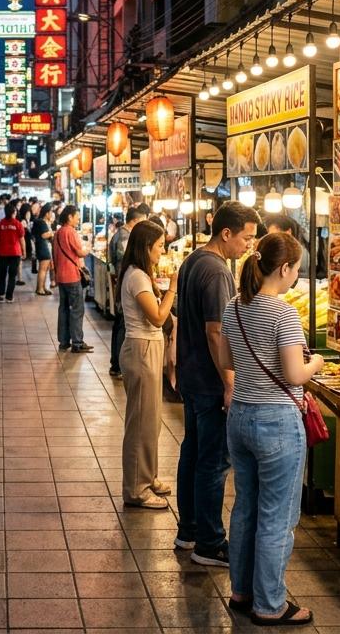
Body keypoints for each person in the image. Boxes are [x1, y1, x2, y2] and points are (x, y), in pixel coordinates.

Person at [216, 232, 321, 626]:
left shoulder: (234, 306)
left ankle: (241, 591)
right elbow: (295, 373)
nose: (296, 274)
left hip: (240, 415)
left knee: (245, 507)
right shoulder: (283, 313)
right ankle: (270, 604)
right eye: (297, 268)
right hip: (277, 421)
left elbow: (227, 359)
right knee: (277, 516)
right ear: (284, 269)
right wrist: (317, 365)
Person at [174, 202, 261, 566]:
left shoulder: (193, 260)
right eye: (247, 238)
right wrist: (229, 381)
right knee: (213, 461)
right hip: (209, 382)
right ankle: (210, 543)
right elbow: (215, 332)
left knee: (192, 452)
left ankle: (188, 531)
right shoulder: (217, 271)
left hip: (191, 376)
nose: (250, 247)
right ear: (227, 233)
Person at [117, 220, 177, 509]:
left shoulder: (141, 274)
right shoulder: (137, 276)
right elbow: (157, 317)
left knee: (151, 420)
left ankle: (148, 476)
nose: (162, 251)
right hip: (141, 350)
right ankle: (136, 489)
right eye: (159, 246)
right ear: (145, 247)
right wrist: (172, 289)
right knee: (141, 423)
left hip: (148, 349)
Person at [109, 205, 150, 378]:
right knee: (122, 325)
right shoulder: (125, 237)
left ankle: (115, 364)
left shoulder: (119, 234)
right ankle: (118, 366)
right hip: (125, 285)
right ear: (135, 220)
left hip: (122, 284)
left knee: (120, 324)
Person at [53, 206, 91, 352]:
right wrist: (87, 249)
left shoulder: (57, 233)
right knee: (77, 309)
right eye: (77, 216)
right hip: (71, 276)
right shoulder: (71, 231)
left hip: (61, 277)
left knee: (63, 309)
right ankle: (77, 343)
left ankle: (63, 341)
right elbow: (79, 252)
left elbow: (55, 255)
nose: (78, 219)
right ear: (70, 217)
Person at [0, 202, 26, 303]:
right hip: (15, 253)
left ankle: (1, 295)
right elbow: (22, 240)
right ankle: (9, 297)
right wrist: (24, 251)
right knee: (12, 275)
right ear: (13, 212)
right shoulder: (18, 224)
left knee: (2, 274)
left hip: (2, 252)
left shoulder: (1, 223)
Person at [32, 205, 55, 296]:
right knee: (42, 269)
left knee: (45, 269)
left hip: (42, 246)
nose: (52, 214)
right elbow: (44, 235)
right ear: (47, 213)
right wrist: (52, 233)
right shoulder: (41, 222)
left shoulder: (41, 221)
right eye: (51, 212)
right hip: (43, 247)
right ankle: (40, 289)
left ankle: (43, 287)